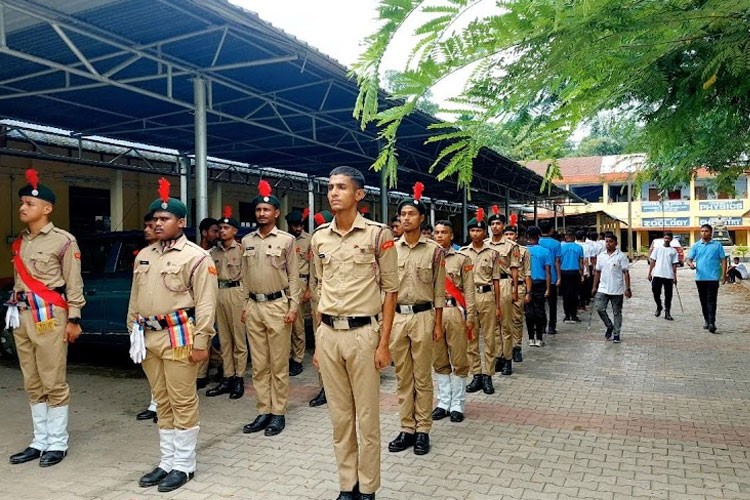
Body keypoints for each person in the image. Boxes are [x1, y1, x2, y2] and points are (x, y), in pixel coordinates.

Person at [311, 166, 398, 500]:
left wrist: (384, 343)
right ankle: (347, 485)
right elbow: (319, 289)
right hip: (329, 333)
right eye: (330, 187)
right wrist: (319, 341)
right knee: (340, 417)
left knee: (367, 418)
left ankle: (369, 487)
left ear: (359, 195)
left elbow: (390, 291)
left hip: (364, 334)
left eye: (341, 187)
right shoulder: (320, 237)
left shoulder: (378, 235)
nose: (334, 193)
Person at [126, 177, 217, 492]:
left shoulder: (196, 256)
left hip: (179, 336)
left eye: (165, 219)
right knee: (161, 400)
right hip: (149, 337)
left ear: (181, 222)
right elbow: (134, 300)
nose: (158, 223)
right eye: (155, 219)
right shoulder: (144, 255)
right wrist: (132, 333)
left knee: (182, 400)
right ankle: (166, 461)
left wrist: (203, 341)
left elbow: (206, 303)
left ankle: (184, 465)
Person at [7, 169, 85, 468]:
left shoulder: (63, 241)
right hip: (23, 315)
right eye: (22, 202)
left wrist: (74, 318)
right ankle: (39, 441)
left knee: (53, 379)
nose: (22, 207)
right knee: (32, 380)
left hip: (50, 315)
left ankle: (57, 442)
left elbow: (73, 282)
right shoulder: (21, 241)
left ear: (47, 208)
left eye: (28, 203)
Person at [388, 183, 445, 457]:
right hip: (398, 318)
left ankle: (423, 430)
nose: (406, 218)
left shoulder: (434, 251)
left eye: (411, 214)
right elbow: (384, 289)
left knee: (422, 377)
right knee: (403, 377)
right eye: (403, 214)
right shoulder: (390, 250)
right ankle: (406, 428)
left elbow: (438, 290)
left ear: (422, 218)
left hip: (423, 316)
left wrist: (437, 323)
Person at [240, 181, 301, 437]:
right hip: (254, 306)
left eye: (267, 210)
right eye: (258, 210)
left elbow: (295, 277)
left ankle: (278, 413)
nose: (262, 214)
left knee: (278, 364)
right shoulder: (246, 241)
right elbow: (243, 276)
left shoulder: (286, 241)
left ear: (276, 213)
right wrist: (244, 305)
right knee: (259, 364)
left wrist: (293, 306)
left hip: (278, 306)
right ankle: (263, 410)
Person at [432, 220, 475, 423]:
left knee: (458, 358)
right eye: (437, 232)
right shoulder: (428, 257)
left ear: (451, 236)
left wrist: (471, 316)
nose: (439, 236)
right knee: (439, 359)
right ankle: (443, 402)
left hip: (455, 311)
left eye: (444, 232)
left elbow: (469, 290)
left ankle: (457, 404)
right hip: (433, 312)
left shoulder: (462, 259)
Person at [205, 207, 247, 399]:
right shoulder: (213, 253)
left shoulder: (242, 250)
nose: (222, 231)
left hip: (236, 292)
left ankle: (239, 378)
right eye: (220, 228)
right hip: (219, 292)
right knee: (224, 340)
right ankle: (227, 377)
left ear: (235, 231)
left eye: (226, 228)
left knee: (239, 339)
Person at [461, 209, 501, 395]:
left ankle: (488, 375)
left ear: (485, 233)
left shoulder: (492, 253)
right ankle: (476, 374)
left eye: (479, 231)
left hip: (487, 297)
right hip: (469, 297)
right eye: (472, 231)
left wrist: (499, 305)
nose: (475, 233)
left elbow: (496, 281)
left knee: (489, 338)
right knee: (471, 337)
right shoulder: (462, 253)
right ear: (468, 232)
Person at [486, 205, 520, 376]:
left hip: (505, 283)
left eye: (498, 224)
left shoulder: (511, 246)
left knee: (506, 325)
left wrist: (514, 290)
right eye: (492, 224)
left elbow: (514, 268)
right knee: (493, 325)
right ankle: (498, 356)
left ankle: (507, 359)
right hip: (488, 286)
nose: (495, 227)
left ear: (503, 225)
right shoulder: (484, 244)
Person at [308, 209, 334, 408]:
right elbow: (313, 276)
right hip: (320, 300)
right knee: (321, 344)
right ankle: (324, 387)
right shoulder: (317, 243)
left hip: (339, 303)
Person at [137, 211, 159, 423]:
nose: (147, 230)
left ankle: (166, 405)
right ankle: (155, 403)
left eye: (150, 226)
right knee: (150, 364)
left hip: (169, 323)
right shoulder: (143, 255)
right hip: (146, 320)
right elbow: (137, 291)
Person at [285, 209, 312, 377]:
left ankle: (298, 358)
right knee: (284, 322)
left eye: (301, 225)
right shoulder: (284, 240)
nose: (299, 228)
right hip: (285, 283)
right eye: (295, 225)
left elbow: (313, 267)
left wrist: (309, 288)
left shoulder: (309, 241)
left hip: (301, 282)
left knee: (298, 323)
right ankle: (286, 356)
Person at [686, 224, 727, 333]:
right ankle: (706, 320)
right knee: (703, 300)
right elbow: (689, 259)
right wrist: (690, 264)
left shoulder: (717, 245)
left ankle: (712, 322)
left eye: (706, 231)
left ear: (711, 232)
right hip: (700, 278)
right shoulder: (696, 245)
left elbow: (723, 260)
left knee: (712, 300)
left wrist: (724, 274)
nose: (704, 233)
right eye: (702, 231)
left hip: (713, 278)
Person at [591, 234, 631, 343]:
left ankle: (616, 333)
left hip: (617, 289)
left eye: (611, 241)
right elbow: (597, 272)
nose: (608, 244)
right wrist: (594, 286)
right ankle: (609, 325)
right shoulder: (601, 256)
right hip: (603, 288)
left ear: (616, 243)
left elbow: (626, 272)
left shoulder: (621, 256)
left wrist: (627, 288)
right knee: (599, 308)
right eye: (607, 241)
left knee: (617, 312)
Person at [195, 217, 220, 389]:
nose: (218, 234)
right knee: (201, 336)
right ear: (204, 233)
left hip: (218, 299)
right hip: (197, 301)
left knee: (218, 337)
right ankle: (200, 375)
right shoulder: (193, 253)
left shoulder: (219, 252)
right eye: (214, 231)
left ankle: (222, 367)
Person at [503, 223, 531, 361]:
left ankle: (517, 347)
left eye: (511, 234)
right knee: (503, 319)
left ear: (516, 236)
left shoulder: (523, 251)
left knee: (517, 319)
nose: (509, 237)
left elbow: (527, 273)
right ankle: (505, 348)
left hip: (519, 288)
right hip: (503, 287)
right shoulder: (497, 250)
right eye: (506, 234)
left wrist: (528, 292)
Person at [524, 226, 551, 347]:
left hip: (525, 283)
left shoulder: (522, 250)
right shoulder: (545, 251)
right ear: (539, 236)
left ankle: (530, 338)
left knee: (529, 311)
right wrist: (548, 288)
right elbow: (548, 272)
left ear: (527, 237)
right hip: (540, 283)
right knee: (540, 311)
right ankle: (539, 338)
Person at [647, 231, 679, 320]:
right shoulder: (657, 249)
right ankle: (659, 306)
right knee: (655, 291)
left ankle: (667, 312)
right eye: (665, 238)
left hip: (668, 275)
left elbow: (674, 265)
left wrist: (675, 277)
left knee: (668, 295)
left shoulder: (673, 251)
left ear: (671, 239)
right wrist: (649, 273)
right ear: (663, 239)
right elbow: (652, 261)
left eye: (668, 238)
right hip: (657, 274)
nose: (667, 240)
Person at [538, 221, 562, 335]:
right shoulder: (557, 244)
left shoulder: (537, 242)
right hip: (552, 277)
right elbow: (557, 262)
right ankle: (552, 326)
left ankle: (542, 326)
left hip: (539, 277)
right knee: (552, 304)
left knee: (540, 304)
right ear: (551, 230)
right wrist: (559, 277)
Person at [560, 229, 584, 324]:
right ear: (574, 237)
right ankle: (573, 315)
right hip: (575, 272)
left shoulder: (561, 247)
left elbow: (557, 261)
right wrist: (582, 275)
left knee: (565, 295)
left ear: (566, 236)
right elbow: (581, 262)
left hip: (564, 272)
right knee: (574, 294)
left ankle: (567, 316)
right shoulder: (579, 247)